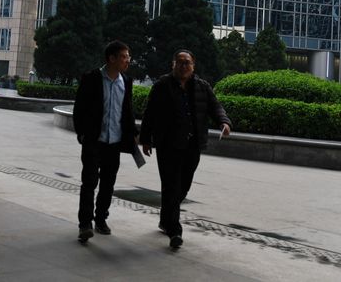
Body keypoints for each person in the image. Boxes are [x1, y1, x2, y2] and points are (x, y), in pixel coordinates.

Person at [139, 49, 231, 249]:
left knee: (183, 186)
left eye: (187, 62)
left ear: (193, 66)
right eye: (180, 62)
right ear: (173, 64)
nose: (183, 66)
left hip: (192, 146)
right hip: (168, 146)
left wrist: (224, 122)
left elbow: (216, 107)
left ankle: (166, 218)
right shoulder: (162, 86)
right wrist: (146, 139)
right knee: (171, 186)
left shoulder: (202, 86)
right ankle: (175, 231)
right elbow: (150, 113)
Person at [73, 40, 138, 243]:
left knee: (108, 183)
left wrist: (134, 135)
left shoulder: (125, 82)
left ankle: (101, 219)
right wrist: (82, 134)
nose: (128, 60)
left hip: (114, 142)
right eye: (124, 56)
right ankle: (85, 224)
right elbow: (79, 108)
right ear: (111, 58)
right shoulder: (91, 78)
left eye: (128, 57)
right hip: (94, 140)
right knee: (90, 181)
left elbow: (127, 111)